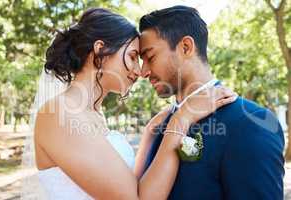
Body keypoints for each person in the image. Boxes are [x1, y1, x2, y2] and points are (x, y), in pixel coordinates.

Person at [30, 7, 236, 200]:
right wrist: (181, 120)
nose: (139, 71)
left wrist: (149, 133)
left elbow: (129, 185)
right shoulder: (59, 113)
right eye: (133, 56)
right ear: (100, 51)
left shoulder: (93, 114)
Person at [136, 5, 285, 200]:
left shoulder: (251, 122)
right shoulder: (158, 126)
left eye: (150, 57)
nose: (143, 71)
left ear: (186, 47)